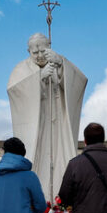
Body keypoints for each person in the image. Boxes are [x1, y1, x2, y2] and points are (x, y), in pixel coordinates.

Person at [7, 32, 88, 201]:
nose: (39, 55)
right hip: (36, 125)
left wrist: (61, 66)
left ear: (49, 46)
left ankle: (62, 199)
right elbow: (14, 91)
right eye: (34, 52)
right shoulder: (21, 69)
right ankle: (37, 197)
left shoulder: (59, 61)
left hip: (58, 122)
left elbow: (80, 81)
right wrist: (38, 78)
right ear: (28, 51)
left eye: (42, 51)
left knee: (60, 156)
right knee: (37, 158)